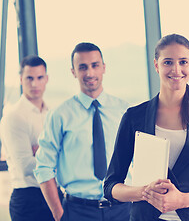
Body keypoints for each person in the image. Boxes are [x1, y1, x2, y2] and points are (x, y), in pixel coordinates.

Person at [104, 34, 189, 221]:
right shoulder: (134, 117)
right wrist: (145, 192)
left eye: (183, 62)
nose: (176, 69)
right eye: (168, 62)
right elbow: (111, 186)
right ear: (156, 65)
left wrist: (183, 200)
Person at [34, 42, 130, 221]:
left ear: (104, 68)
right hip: (78, 211)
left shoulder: (124, 111)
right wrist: (59, 213)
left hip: (122, 210)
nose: (90, 73)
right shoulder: (60, 115)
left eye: (95, 66)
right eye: (83, 67)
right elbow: (43, 167)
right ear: (73, 72)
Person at [0, 55, 57, 221]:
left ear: (46, 79)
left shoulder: (51, 114)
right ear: (20, 79)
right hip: (28, 198)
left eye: (39, 78)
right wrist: (56, 155)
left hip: (53, 195)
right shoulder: (14, 117)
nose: (34, 84)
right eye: (29, 78)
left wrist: (41, 152)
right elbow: (26, 166)